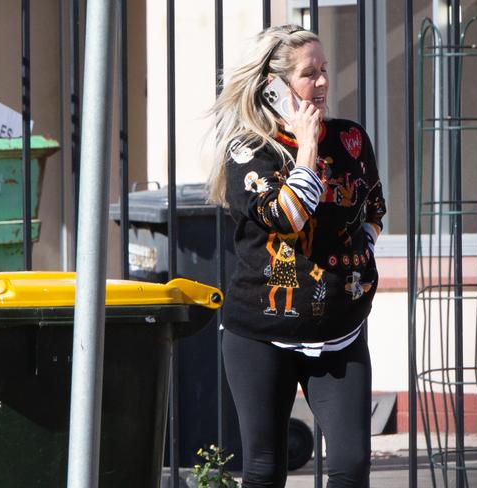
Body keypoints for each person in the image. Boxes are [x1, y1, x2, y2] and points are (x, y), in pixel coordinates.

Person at [207, 24, 386, 487]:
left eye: (325, 71)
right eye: (310, 74)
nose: (324, 82)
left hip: (339, 331)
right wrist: (306, 147)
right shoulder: (250, 150)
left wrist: (357, 255)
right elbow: (288, 215)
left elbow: (373, 207)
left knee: (350, 466)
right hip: (260, 334)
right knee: (266, 469)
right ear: (274, 87)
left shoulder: (350, 140)